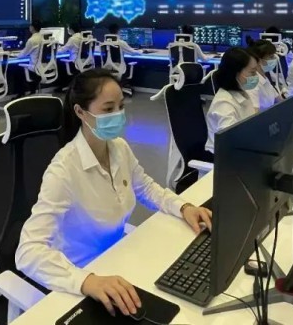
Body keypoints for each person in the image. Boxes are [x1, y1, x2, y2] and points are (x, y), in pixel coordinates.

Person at [16, 69, 212, 317]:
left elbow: (146, 187)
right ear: (80, 112)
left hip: (117, 258)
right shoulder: (63, 170)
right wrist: (87, 280)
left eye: (121, 106)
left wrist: (183, 207)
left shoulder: (118, 148)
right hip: (79, 277)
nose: (118, 115)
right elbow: (28, 251)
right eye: (108, 109)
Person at [205, 47, 258, 156]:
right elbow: (230, 144)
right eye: (252, 72)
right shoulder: (224, 104)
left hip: (243, 150)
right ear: (236, 73)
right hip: (222, 159)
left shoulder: (242, 92)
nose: (255, 76)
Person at [245, 39, 283, 111]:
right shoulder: (253, 84)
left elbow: (279, 100)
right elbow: (254, 114)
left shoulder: (264, 77)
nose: (275, 59)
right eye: (271, 57)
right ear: (259, 60)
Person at [18, 19, 45, 94]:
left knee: (17, 69)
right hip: (42, 67)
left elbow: (23, 55)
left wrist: (15, 55)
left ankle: (21, 93)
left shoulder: (32, 40)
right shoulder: (42, 38)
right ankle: (32, 91)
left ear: (32, 27)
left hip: (34, 68)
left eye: (30, 26)